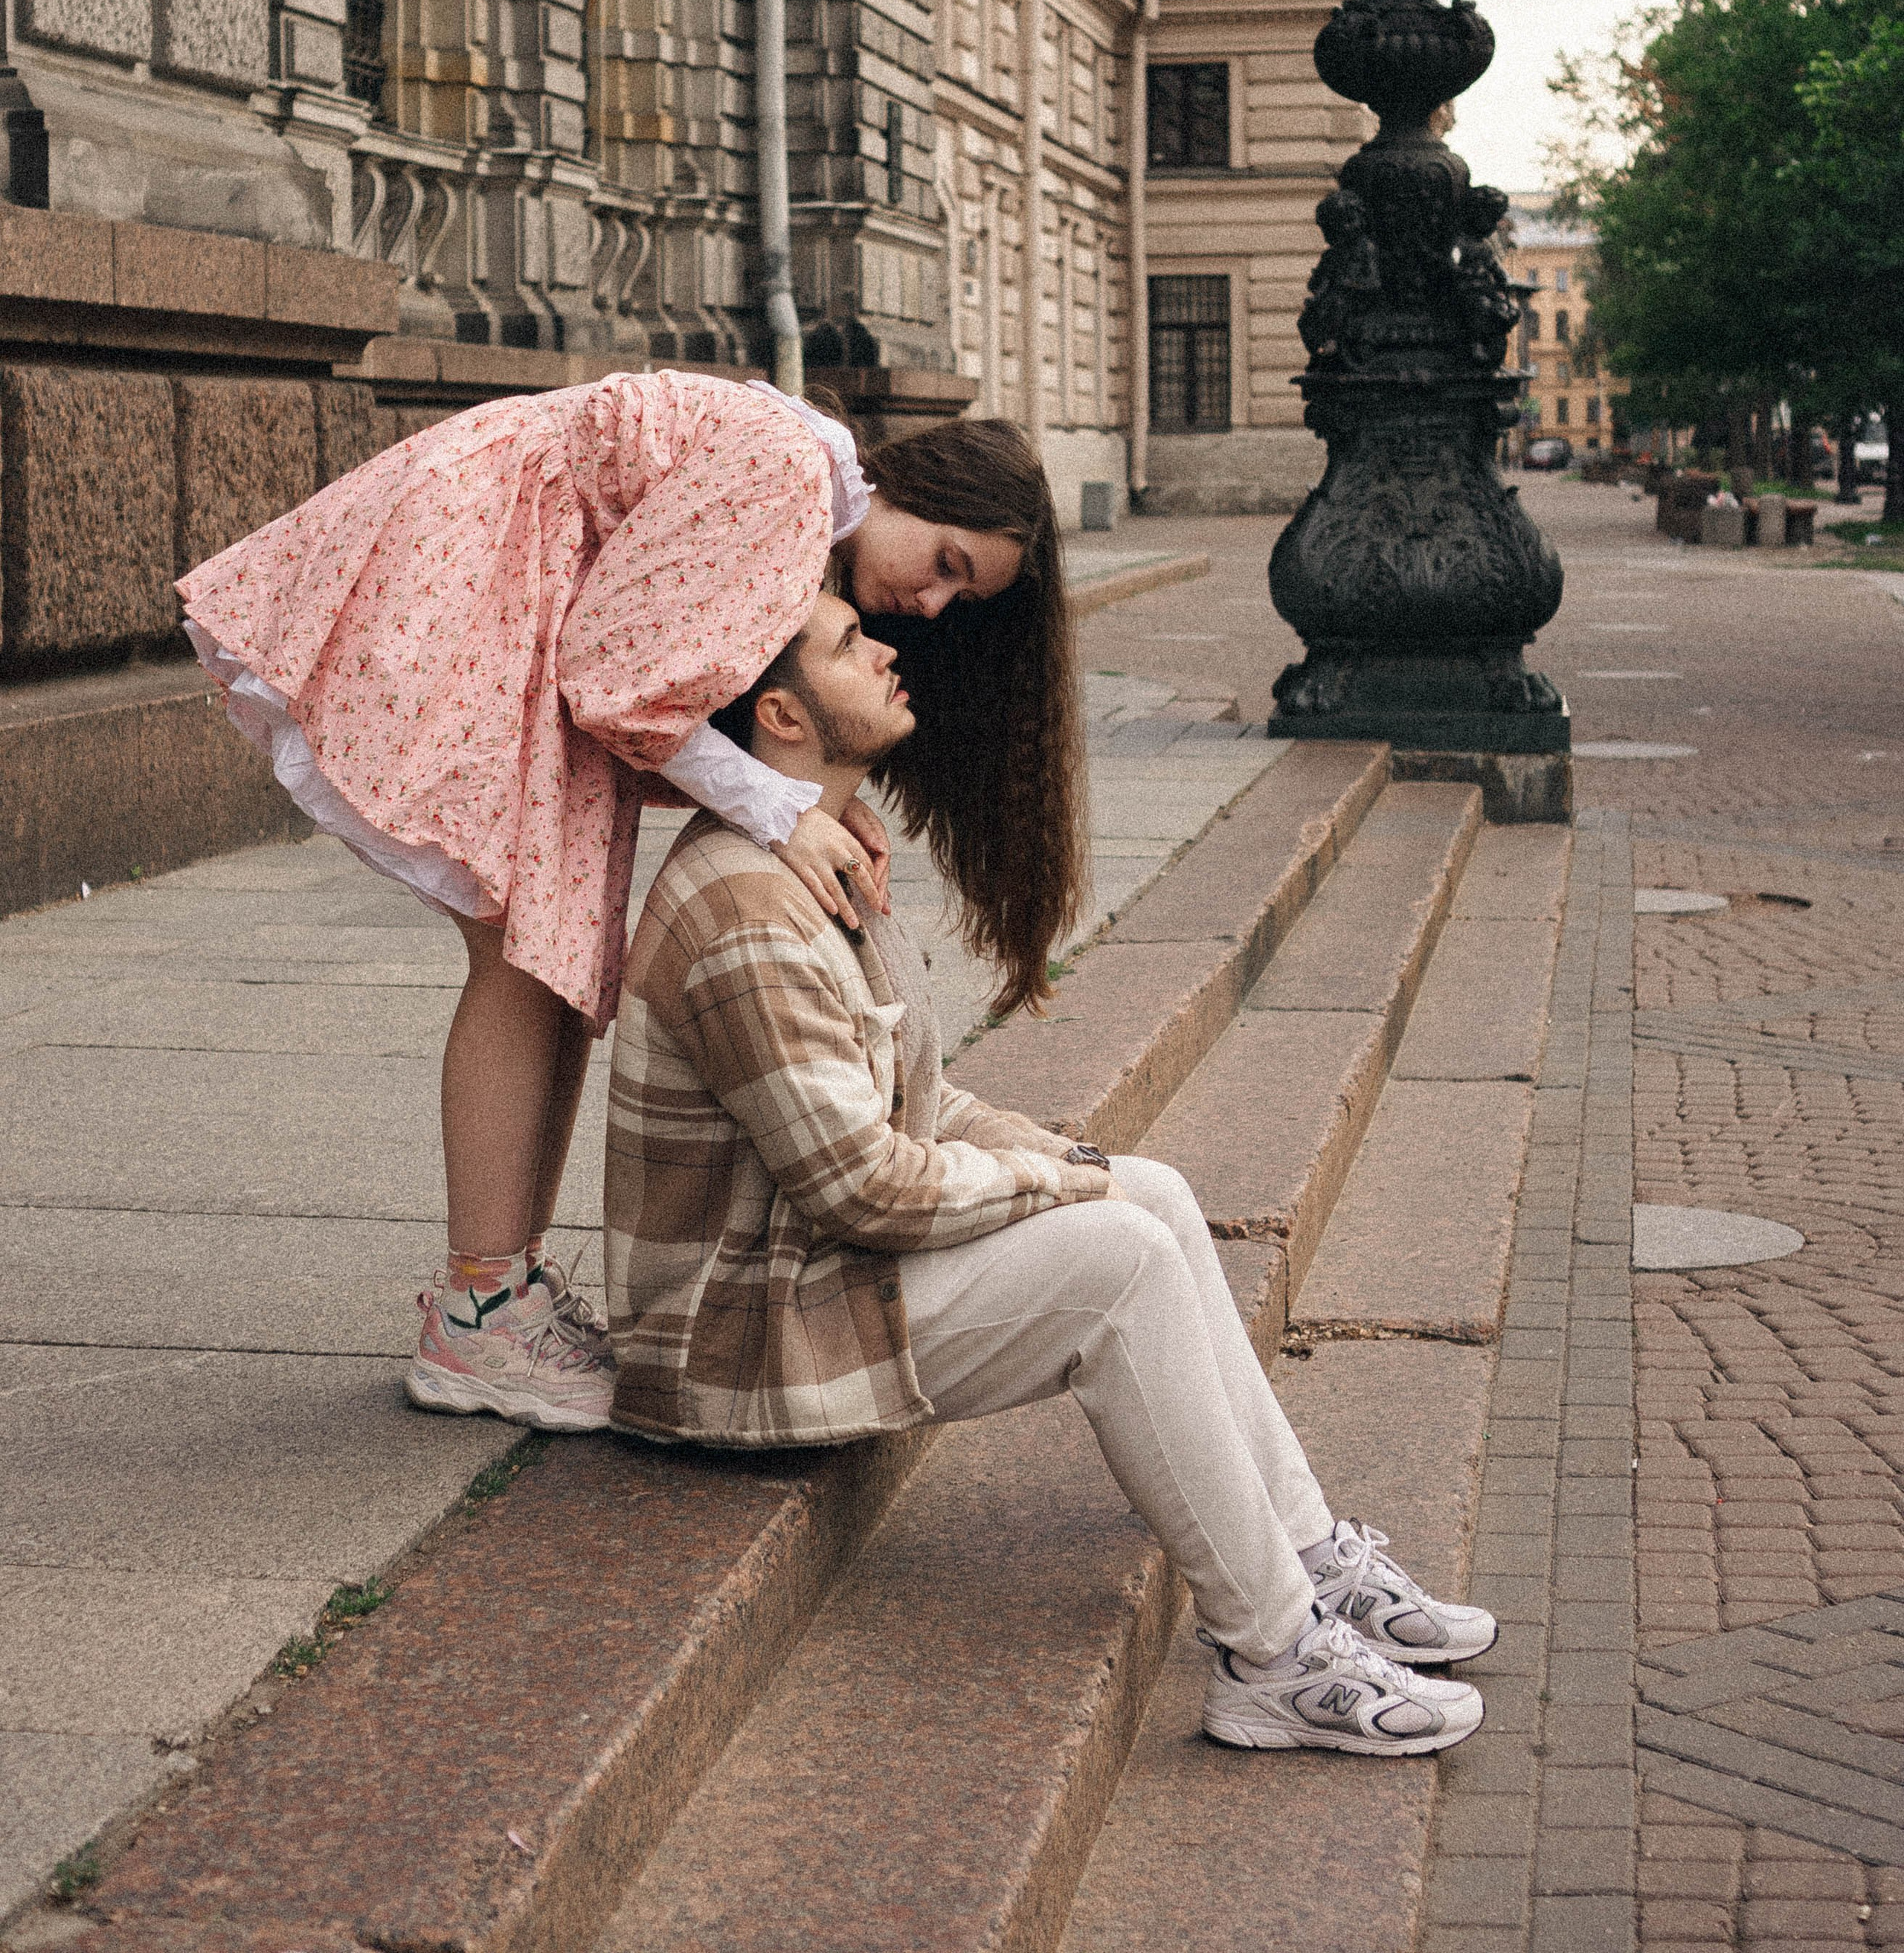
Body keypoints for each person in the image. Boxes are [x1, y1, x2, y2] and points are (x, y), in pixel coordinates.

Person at [604, 591, 1496, 1759]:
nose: (885, 647)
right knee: (1117, 1261)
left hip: (816, 1270)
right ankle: (1273, 1658)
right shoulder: (747, 914)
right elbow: (863, 1189)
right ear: (781, 714)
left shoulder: (811, 857)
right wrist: (1064, 1193)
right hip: (742, 1339)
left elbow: (917, 1102)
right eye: (845, 645)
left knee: (1155, 1194)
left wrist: (1073, 1162)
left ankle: (1311, 1554)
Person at [176, 373, 1084, 1433]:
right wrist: (784, 812)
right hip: (481, 584)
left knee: (552, 964)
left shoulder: (801, 501)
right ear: (908, 487)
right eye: (944, 565)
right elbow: (615, 678)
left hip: (506, 589)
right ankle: (478, 1312)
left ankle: (499, 1295)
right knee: (522, 959)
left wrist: (801, 799)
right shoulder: (794, 478)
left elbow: (654, 675)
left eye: (958, 600)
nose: (929, 606)